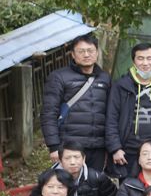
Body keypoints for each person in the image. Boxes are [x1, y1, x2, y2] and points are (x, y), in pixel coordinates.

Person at [41, 33, 111, 171]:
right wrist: (53, 146)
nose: (86, 54)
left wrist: (110, 145)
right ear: (73, 54)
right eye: (81, 51)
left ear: (97, 53)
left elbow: (110, 113)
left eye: (90, 50)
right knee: (68, 182)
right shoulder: (58, 77)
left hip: (97, 146)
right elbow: (48, 113)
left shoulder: (105, 78)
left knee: (93, 181)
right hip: (70, 146)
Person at [106, 43, 151, 178]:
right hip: (128, 151)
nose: (145, 63)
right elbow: (111, 119)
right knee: (129, 187)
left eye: (149, 58)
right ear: (133, 61)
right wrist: (115, 148)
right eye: (140, 58)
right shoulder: (121, 86)